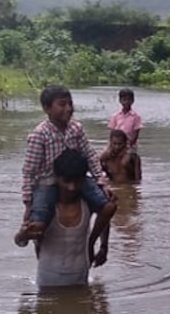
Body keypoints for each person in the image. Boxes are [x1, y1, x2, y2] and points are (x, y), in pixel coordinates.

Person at [15, 84, 113, 248]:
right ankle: (29, 242)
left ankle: (92, 242)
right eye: (62, 104)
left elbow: (90, 155)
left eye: (70, 104)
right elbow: (29, 171)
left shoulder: (76, 128)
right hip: (48, 182)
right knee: (37, 226)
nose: (68, 108)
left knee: (108, 207)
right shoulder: (39, 134)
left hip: (76, 177)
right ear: (47, 108)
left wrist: (101, 181)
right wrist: (28, 202)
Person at [34, 148, 115, 289]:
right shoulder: (46, 206)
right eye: (67, 181)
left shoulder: (86, 203)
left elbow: (105, 214)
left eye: (77, 182)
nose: (71, 188)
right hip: (48, 280)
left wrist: (98, 245)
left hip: (80, 277)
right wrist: (23, 235)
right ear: (57, 178)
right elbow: (25, 239)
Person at [108, 87, 143, 168]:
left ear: (132, 101)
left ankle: (136, 178)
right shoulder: (115, 116)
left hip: (130, 145)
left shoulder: (136, 117)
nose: (126, 102)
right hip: (116, 143)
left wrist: (128, 146)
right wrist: (111, 145)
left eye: (129, 100)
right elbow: (112, 132)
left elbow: (136, 134)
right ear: (120, 100)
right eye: (124, 100)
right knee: (103, 157)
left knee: (125, 162)